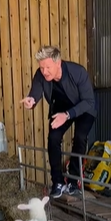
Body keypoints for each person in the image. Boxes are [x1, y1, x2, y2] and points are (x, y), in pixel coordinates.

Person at [20, 45, 97, 199]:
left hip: (83, 107)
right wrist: (31, 101)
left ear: (58, 63)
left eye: (47, 67)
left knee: (80, 137)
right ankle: (58, 182)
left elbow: (89, 101)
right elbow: (35, 93)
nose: (44, 72)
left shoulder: (78, 72)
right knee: (53, 137)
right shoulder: (41, 74)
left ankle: (74, 182)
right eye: (41, 68)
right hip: (61, 107)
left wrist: (68, 115)